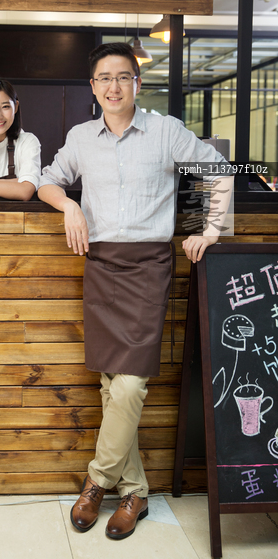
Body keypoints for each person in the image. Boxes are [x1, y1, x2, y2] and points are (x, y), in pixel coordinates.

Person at [38, 42, 233, 541]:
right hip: (101, 266)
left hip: (149, 268)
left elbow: (219, 171)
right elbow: (47, 180)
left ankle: (96, 481)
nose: (114, 86)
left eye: (122, 77)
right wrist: (69, 206)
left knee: (128, 386)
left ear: (137, 83)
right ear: (93, 87)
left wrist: (210, 230)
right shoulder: (81, 137)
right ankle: (136, 492)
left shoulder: (165, 130)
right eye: (104, 78)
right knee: (110, 386)